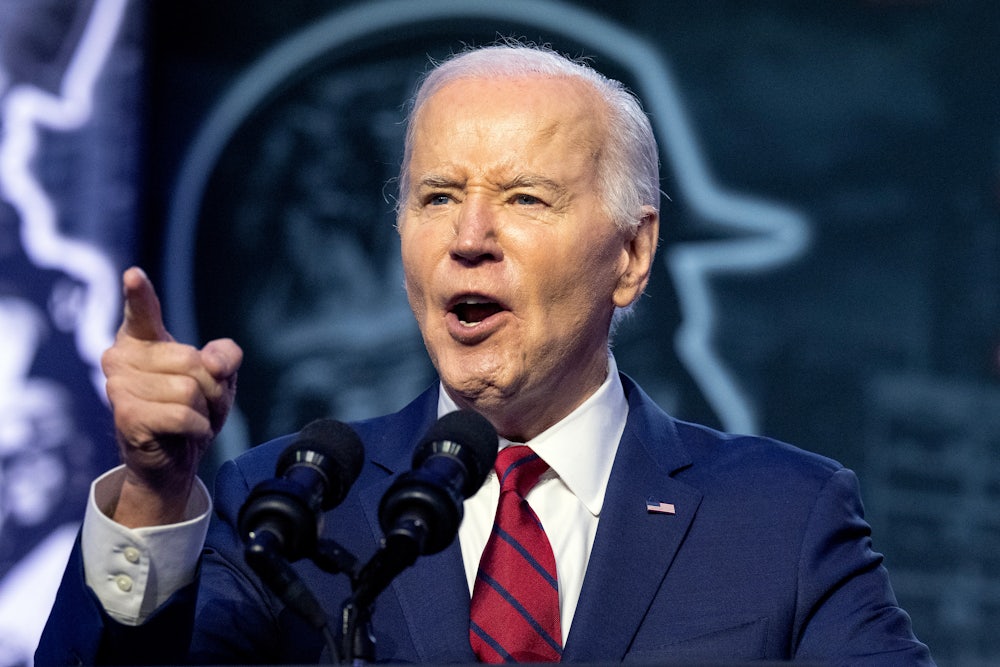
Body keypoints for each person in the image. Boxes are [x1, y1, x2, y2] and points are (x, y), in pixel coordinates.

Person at [37, 42, 933, 664]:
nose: (469, 238)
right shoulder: (285, 513)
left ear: (631, 254)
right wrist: (155, 494)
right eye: (436, 196)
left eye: (525, 198)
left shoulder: (781, 518)